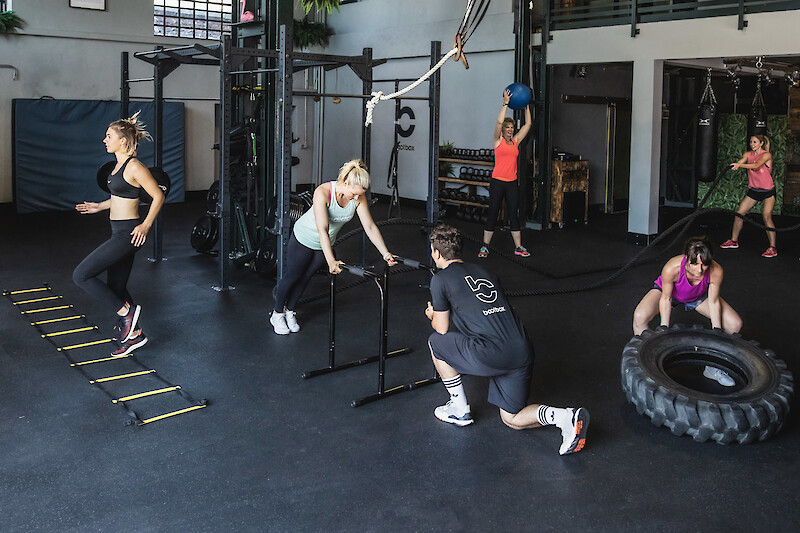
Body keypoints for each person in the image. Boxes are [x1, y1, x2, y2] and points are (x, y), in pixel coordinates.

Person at [425, 224, 589, 456]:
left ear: (437, 253)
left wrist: (432, 315)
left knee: (435, 343)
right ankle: (565, 417)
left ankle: (459, 409)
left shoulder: (440, 279)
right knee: (511, 418)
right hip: (521, 349)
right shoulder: (488, 274)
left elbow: (442, 329)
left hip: (490, 352)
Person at [73, 111, 165, 357]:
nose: (105, 140)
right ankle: (134, 336)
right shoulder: (118, 166)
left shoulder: (135, 166)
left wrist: (145, 226)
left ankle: (128, 314)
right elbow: (119, 196)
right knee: (116, 286)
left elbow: (158, 196)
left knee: (81, 275)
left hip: (127, 234)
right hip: (118, 230)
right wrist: (98, 206)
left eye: (109, 136)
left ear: (123, 141)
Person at [270, 159, 397, 335]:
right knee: (294, 275)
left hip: (325, 243)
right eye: (353, 193)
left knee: (307, 277)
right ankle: (277, 313)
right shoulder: (322, 192)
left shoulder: (358, 198)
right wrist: (331, 260)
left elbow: (369, 226)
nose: (355, 197)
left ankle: (290, 310)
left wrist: (385, 253)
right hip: (304, 237)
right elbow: (322, 229)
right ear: (345, 183)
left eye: (359, 194)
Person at [632, 236, 743, 386]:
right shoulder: (672, 267)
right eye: (694, 263)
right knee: (640, 316)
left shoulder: (716, 270)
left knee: (734, 324)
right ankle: (646, 366)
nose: (699, 270)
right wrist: (664, 329)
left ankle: (712, 368)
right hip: (670, 293)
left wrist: (717, 330)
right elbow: (666, 299)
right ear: (686, 258)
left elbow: (714, 300)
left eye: (704, 264)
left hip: (697, 296)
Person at [479, 89, 532, 259]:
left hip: (511, 183)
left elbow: (528, 125)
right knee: (493, 212)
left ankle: (518, 247)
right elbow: (498, 123)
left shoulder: (515, 142)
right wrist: (505, 104)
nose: (510, 130)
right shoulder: (498, 141)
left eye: (511, 127)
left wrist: (526, 106)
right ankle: (485, 247)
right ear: (503, 130)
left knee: (513, 214)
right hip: (497, 182)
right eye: (507, 128)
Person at [719, 134, 777, 258]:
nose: (752, 144)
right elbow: (741, 161)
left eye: (755, 142)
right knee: (739, 213)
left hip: (768, 191)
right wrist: (737, 164)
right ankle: (733, 241)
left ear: (761, 143)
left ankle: (772, 248)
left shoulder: (766, 155)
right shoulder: (748, 154)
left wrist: (740, 166)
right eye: (751, 142)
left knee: (766, 216)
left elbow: (756, 166)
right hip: (754, 191)